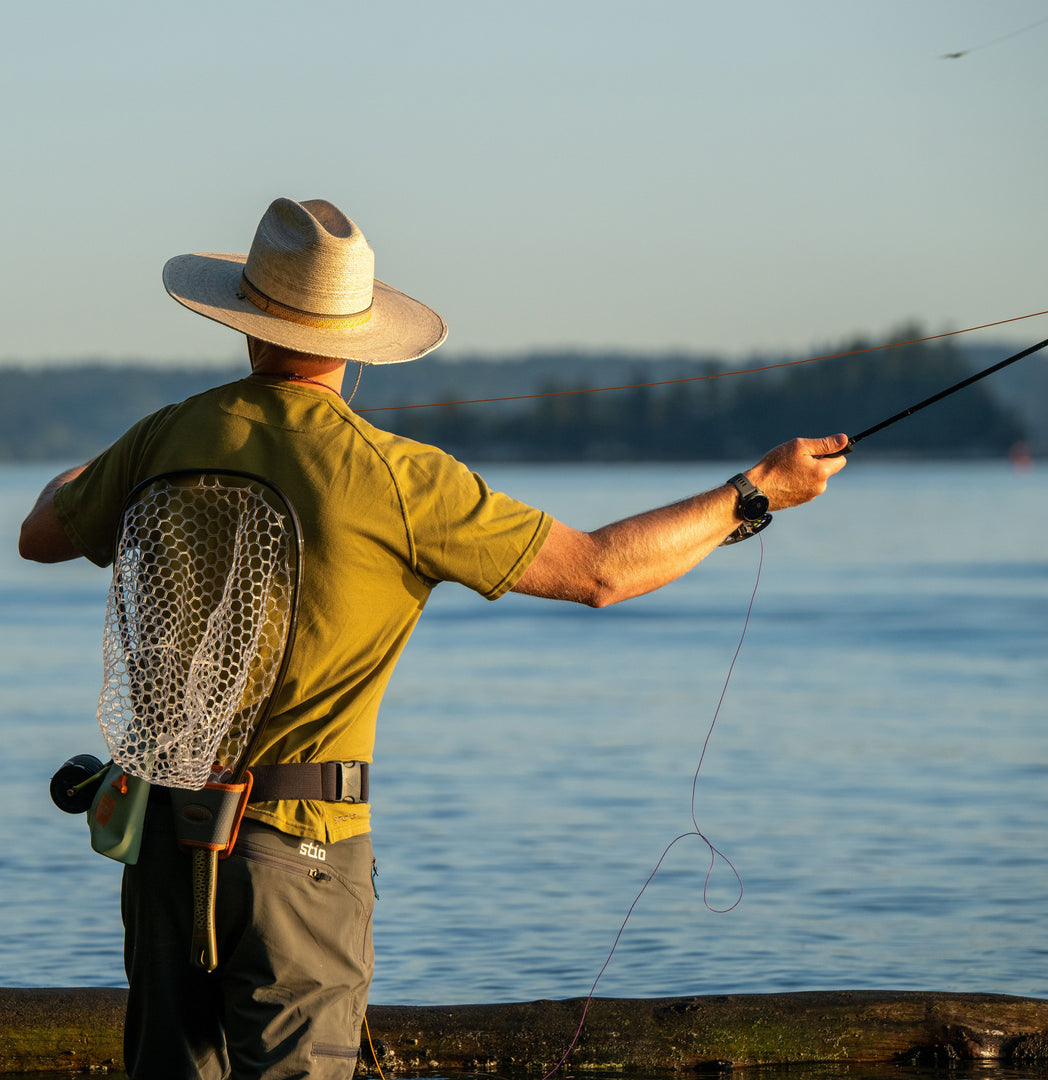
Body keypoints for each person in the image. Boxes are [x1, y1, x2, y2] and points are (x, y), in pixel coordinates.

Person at [19, 197, 847, 1080]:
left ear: (247, 322)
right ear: (355, 339)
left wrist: (110, 463)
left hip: (157, 847)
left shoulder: (161, 436)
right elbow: (602, 571)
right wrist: (753, 492)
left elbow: (41, 533)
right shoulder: (398, 477)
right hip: (297, 856)